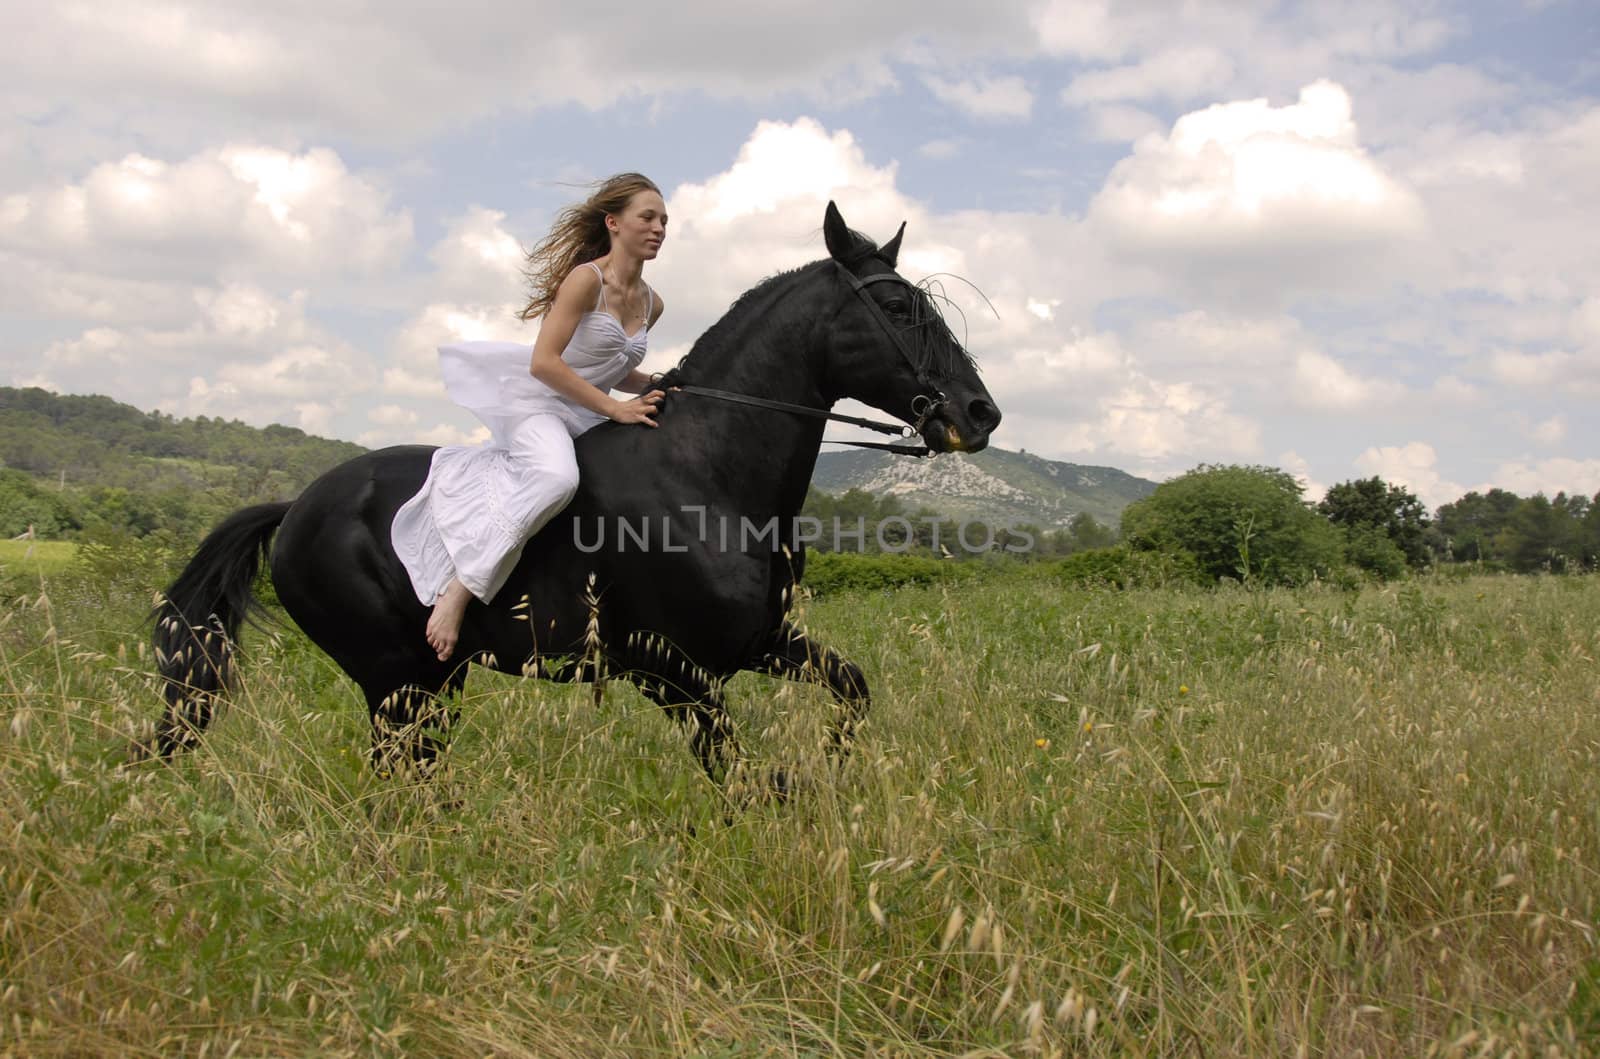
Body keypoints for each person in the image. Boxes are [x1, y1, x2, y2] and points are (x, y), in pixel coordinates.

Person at [391, 173, 669, 662]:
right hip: (540, 403)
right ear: (613, 223)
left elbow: (618, 368)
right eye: (647, 217)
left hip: (591, 411)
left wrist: (656, 386)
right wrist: (614, 409)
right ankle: (459, 590)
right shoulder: (587, 280)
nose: (659, 228)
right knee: (556, 479)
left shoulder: (653, 302)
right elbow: (545, 362)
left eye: (664, 220)